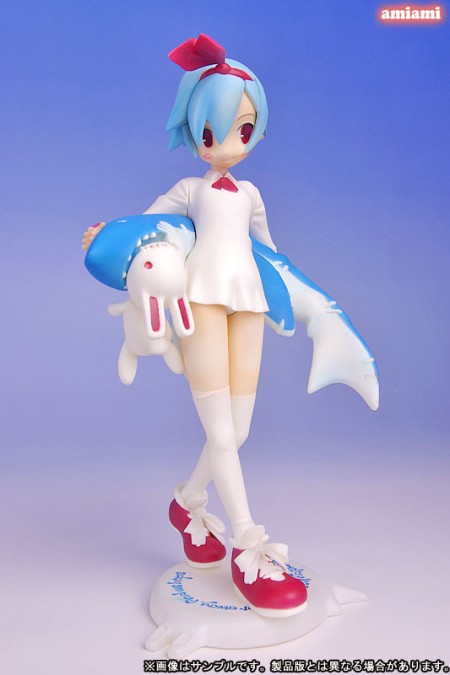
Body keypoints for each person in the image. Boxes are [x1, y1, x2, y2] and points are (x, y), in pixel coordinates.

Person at [83, 34, 308, 618]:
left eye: (242, 128)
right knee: (223, 434)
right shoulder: (189, 190)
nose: (227, 143)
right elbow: (144, 227)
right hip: (202, 304)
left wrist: (304, 302)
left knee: (240, 429)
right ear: (194, 133)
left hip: (248, 305)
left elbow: (272, 254)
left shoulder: (251, 195)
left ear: (256, 132)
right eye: (211, 132)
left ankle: (187, 502)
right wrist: (105, 237)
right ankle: (248, 543)